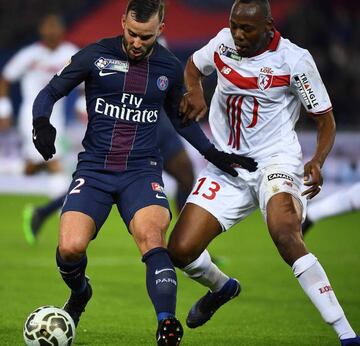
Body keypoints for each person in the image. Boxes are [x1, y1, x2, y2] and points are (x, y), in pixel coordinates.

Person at [31, 1, 257, 344]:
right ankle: (80, 293)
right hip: (95, 168)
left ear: (160, 30)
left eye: (146, 37)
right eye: (132, 34)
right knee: (70, 248)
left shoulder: (168, 66)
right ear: (123, 22)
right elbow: (49, 92)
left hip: (142, 170)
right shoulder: (95, 55)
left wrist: (214, 154)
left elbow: (182, 120)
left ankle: (166, 324)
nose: (137, 42)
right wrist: (41, 122)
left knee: (153, 239)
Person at [167, 1, 360, 345]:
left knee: (285, 232)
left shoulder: (294, 60)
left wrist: (317, 160)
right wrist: (194, 91)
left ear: (268, 26)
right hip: (227, 165)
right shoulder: (222, 42)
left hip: (276, 160)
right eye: (234, 25)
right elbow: (193, 68)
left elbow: (325, 119)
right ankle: (222, 287)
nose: (238, 34)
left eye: (247, 28)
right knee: (180, 250)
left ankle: (346, 334)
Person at [22, 113, 195, 244]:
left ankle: (185, 243)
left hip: (161, 121)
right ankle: (42, 212)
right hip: (136, 124)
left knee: (187, 178)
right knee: (103, 181)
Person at [0, 14, 83, 175]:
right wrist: (3, 109)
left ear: (62, 31)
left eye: (54, 29)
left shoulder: (70, 53)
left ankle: (16, 178)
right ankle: (61, 197)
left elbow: (86, 79)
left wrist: (82, 103)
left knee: (36, 164)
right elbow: (5, 78)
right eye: (48, 30)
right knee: (53, 160)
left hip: (57, 116)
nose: (51, 33)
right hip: (31, 115)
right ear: (41, 32)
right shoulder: (30, 54)